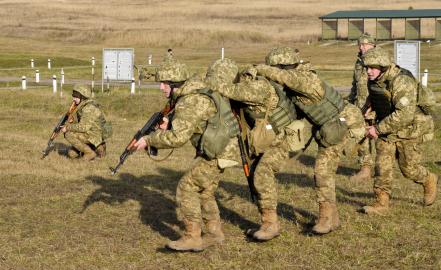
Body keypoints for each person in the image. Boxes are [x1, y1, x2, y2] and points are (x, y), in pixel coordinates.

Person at [133, 58, 241, 252]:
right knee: (205, 191)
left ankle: (192, 237)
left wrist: (149, 140)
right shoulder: (195, 92)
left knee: (187, 187)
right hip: (224, 149)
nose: (161, 87)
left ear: (175, 84)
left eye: (164, 83)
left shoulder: (189, 101)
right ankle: (214, 234)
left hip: (218, 151)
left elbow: (177, 139)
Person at [256, 47, 365, 235]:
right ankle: (332, 218)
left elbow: (285, 78)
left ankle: (326, 218)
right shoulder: (296, 81)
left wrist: (259, 69)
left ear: (284, 67)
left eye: (275, 70)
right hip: (328, 126)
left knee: (322, 171)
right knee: (324, 171)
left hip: (343, 122)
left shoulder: (305, 79)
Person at [207, 65, 300, 241]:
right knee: (255, 175)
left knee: (262, 174)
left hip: (280, 139)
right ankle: (265, 222)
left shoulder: (258, 86)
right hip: (264, 138)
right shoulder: (245, 85)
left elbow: (232, 91)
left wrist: (210, 83)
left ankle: (270, 225)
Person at [361, 47, 438, 215]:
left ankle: (428, 179)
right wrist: (369, 105)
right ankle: (381, 203)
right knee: (382, 167)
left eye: (372, 68)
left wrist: (377, 129)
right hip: (386, 130)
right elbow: (378, 94)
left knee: (409, 169)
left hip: (408, 130)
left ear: (383, 66)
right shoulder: (375, 79)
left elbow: (404, 115)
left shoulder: (402, 81)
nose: (368, 71)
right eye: (366, 67)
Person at [349, 33, 376, 182]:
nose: (361, 47)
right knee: (361, 137)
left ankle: (384, 168)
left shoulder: (380, 60)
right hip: (360, 106)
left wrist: (373, 105)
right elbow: (355, 84)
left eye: (364, 44)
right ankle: (365, 168)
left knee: (382, 139)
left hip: (376, 106)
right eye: (360, 45)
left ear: (372, 45)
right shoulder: (359, 62)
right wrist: (351, 103)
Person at [61, 84, 111, 161]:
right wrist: (72, 121)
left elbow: (83, 127)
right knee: (72, 153)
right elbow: (83, 122)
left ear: (83, 96)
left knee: (68, 134)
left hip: (94, 135)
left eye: (76, 96)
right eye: (73, 95)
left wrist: (67, 127)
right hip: (92, 133)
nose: (73, 98)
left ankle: (90, 153)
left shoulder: (89, 108)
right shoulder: (84, 105)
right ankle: (98, 147)